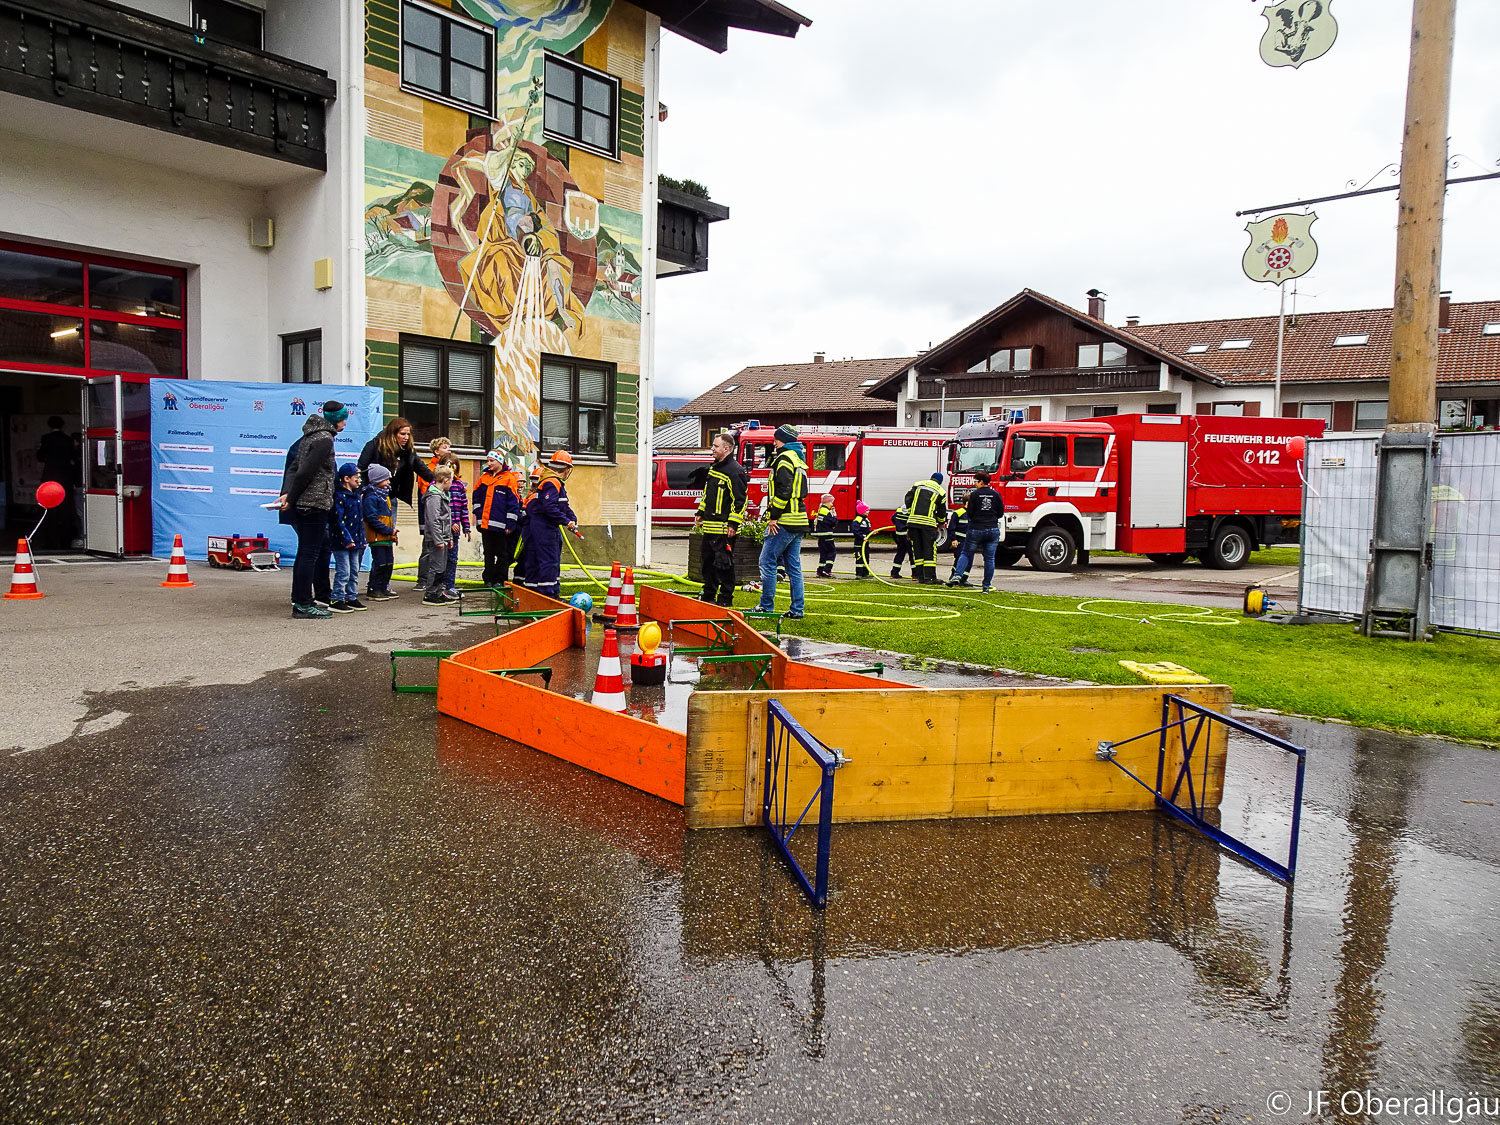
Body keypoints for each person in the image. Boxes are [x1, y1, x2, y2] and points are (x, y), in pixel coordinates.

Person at [278, 400, 348, 618]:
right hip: (314, 503)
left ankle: (301, 599)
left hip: (305, 502)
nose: (345, 423)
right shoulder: (324, 440)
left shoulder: (309, 436)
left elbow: (294, 468)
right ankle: (303, 604)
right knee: (310, 554)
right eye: (344, 419)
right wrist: (292, 496)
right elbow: (304, 471)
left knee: (305, 553)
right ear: (337, 420)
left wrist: (290, 494)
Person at [755, 425, 809, 619]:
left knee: (766, 560)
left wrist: (773, 516)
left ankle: (765, 606)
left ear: (784, 440)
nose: (774, 442)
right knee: (793, 566)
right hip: (799, 519)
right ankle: (797, 610)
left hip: (785, 520)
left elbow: (783, 491)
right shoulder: (797, 458)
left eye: (776, 439)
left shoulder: (784, 458)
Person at [694, 430, 748, 607]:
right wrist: (700, 512)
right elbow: (707, 495)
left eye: (715, 446)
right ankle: (709, 594)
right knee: (707, 564)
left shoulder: (735, 471)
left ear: (727, 448)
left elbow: (740, 501)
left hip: (724, 529)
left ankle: (725, 599)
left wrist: (733, 523)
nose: (712, 449)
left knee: (724, 565)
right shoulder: (714, 467)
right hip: (710, 527)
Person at [519, 450, 578, 599]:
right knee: (549, 560)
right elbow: (550, 507)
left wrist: (572, 517)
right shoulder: (552, 482)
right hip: (545, 528)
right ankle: (549, 594)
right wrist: (566, 521)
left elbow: (562, 505)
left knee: (535, 560)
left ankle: (532, 593)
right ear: (566, 470)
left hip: (538, 526)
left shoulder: (549, 481)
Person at [357, 417, 435, 520]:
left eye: (408, 434)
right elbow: (361, 470)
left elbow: (423, 470)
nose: (406, 437)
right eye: (402, 434)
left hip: (391, 497)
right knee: (369, 531)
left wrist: (441, 481)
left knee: (389, 533)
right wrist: (361, 491)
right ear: (393, 434)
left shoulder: (408, 451)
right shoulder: (374, 445)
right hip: (371, 497)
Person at [472, 450, 521, 587]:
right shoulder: (484, 478)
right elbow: (476, 497)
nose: (488, 463)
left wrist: (511, 524)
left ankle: (500, 580)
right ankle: (488, 579)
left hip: (502, 526)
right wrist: (478, 514)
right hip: (486, 524)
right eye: (487, 461)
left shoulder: (509, 479)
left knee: (502, 554)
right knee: (488, 554)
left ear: (500, 461)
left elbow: (513, 503)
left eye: (491, 461)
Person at [949, 470, 1005, 592]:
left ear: (981, 482)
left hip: (976, 529)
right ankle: (986, 587)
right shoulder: (996, 495)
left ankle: (957, 576)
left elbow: (970, 513)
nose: (975, 484)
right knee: (989, 559)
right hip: (992, 529)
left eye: (976, 481)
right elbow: (1000, 513)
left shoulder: (974, 495)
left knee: (965, 553)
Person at [328, 463, 367, 612]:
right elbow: (338, 521)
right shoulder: (339, 496)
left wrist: (362, 539)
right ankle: (336, 598)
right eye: (356, 476)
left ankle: (351, 596)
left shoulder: (357, 496)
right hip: (342, 541)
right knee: (343, 570)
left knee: (354, 570)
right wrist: (346, 539)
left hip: (356, 540)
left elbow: (360, 520)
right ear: (346, 478)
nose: (359, 479)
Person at [37, 416, 77, 548]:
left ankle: (51, 542)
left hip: (50, 478)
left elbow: (40, 456)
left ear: (49, 425)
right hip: (65, 478)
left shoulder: (46, 439)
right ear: (62, 425)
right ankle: (66, 541)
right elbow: (73, 458)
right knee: (66, 511)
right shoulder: (68, 440)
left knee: (49, 511)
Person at [420, 463, 456, 606]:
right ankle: (431, 593)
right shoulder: (434, 497)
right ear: (446, 480)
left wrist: (450, 537)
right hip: (437, 538)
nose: (451, 484)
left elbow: (447, 519)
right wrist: (438, 539)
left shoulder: (442, 495)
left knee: (442, 566)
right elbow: (433, 520)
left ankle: (439, 591)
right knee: (436, 566)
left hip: (444, 537)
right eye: (451, 480)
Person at [362, 463, 399, 600]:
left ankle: (383, 587)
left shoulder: (385, 496)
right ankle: (374, 588)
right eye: (386, 479)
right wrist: (389, 530)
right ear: (377, 480)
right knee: (380, 562)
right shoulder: (371, 497)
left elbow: (388, 518)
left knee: (389, 562)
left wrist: (392, 533)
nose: (388, 482)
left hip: (387, 536)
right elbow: (371, 518)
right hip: (378, 537)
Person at [904, 471, 948, 585]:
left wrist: (911, 512)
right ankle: (930, 578)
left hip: (913, 522)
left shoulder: (918, 484)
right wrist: (941, 522)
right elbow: (942, 511)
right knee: (929, 550)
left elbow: (908, 499)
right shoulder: (941, 491)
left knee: (917, 549)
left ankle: (920, 577)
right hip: (928, 524)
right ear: (940, 482)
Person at [442, 458, 472, 598]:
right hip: (442, 530)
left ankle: (450, 586)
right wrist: (451, 522)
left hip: (454, 531)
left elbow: (463, 508)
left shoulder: (459, 486)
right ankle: (439, 585)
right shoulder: (437, 487)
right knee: (440, 558)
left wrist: (466, 526)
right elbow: (440, 510)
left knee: (452, 558)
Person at [813, 495, 839, 579]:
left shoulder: (821, 510)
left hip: (821, 536)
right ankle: (827, 570)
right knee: (832, 552)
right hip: (827, 535)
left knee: (823, 554)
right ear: (827, 502)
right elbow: (832, 522)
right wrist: (835, 516)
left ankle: (820, 571)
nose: (832, 504)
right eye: (831, 502)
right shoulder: (826, 511)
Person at [944, 504, 970, 581]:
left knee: (968, 560)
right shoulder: (959, 513)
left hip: (969, 541)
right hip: (960, 541)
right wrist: (953, 539)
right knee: (959, 558)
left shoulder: (973, 513)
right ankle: (953, 576)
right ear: (967, 502)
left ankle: (963, 579)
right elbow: (951, 527)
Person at [851, 501, 873, 580]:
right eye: (867, 510)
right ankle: (859, 574)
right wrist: (862, 537)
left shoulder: (866, 520)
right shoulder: (858, 520)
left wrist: (871, 533)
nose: (868, 512)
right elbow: (856, 531)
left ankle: (865, 573)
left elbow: (866, 530)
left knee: (866, 557)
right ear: (862, 511)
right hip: (859, 543)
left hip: (865, 542)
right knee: (859, 558)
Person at [889, 504, 912, 579]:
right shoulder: (911, 510)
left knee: (900, 553)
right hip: (907, 535)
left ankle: (894, 572)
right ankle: (915, 574)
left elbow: (892, 518)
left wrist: (898, 526)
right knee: (912, 554)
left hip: (899, 535)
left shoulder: (899, 509)